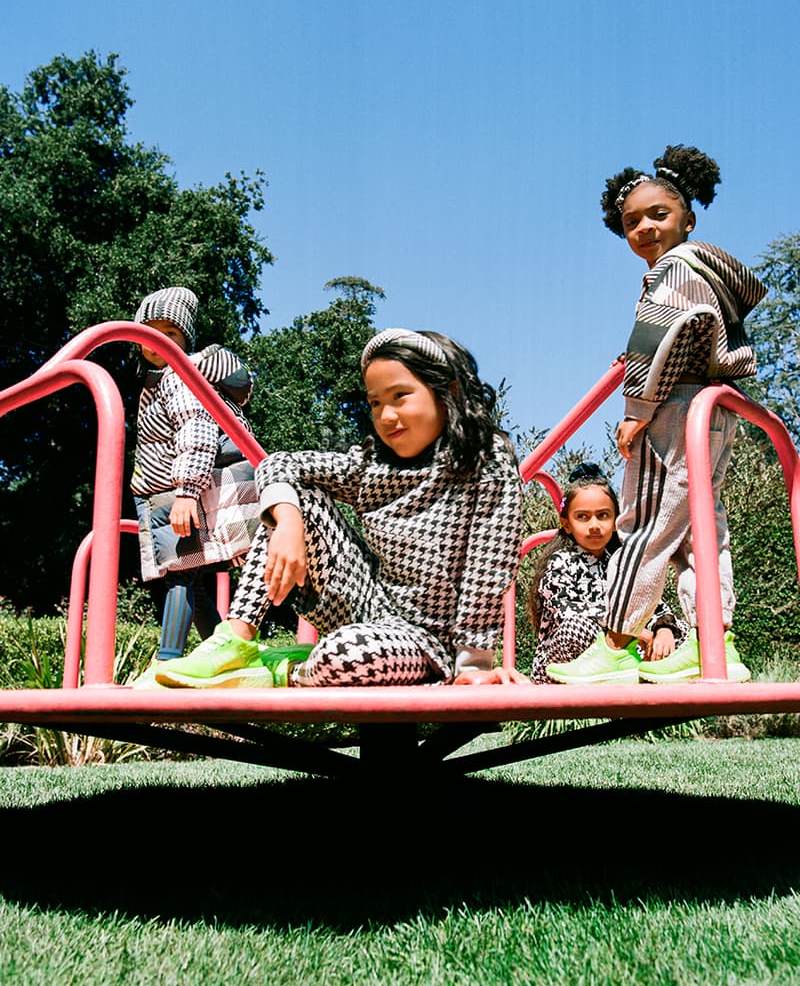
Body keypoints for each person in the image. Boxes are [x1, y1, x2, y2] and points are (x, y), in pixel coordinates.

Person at [153, 327, 527, 689]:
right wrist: (287, 521)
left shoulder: (484, 460)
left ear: (449, 391)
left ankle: (285, 669)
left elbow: (488, 566)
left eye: (400, 396)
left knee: (342, 655)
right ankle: (237, 640)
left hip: (429, 644)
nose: (386, 416)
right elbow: (279, 463)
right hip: (365, 604)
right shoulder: (371, 465)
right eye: (375, 403)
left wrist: (475, 664)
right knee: (292, 499)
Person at [547, 145, 767, 685]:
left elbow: (659, 338)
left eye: (658, 215)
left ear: (688, 219)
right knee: (700, 532)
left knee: (643, 522)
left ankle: (616, 644)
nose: (644, 227)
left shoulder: (670, 271)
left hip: (673, 409)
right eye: (631, 222)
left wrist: (635, 409)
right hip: (711, 410)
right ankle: (713, 641)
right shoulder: (708, 271)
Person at [129, 286, 261, 687]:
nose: (158, 342)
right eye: (150, 332)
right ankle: (220, 656)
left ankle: (166, 658)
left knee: (181, 574)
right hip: (171, 492)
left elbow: (197, 431)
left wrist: (187, 490)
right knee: (191, 579)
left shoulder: (178, 376)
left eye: (170, 334)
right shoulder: (156, 381)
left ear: (185, 339)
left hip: (187, 492)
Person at [528, 463, 686, 683]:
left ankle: (637, 670)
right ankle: (612, 667)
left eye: (602, 516)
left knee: (683, 631)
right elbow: (568, 612)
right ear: (566, 524)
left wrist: (664, 629)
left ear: (615, 522)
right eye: (583, 517)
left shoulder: (621, 562)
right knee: (575, 628)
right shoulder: (560, 562)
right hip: (572, 656)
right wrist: (627, 628)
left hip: (621, 648)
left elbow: (652, 603)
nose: (594, 525)